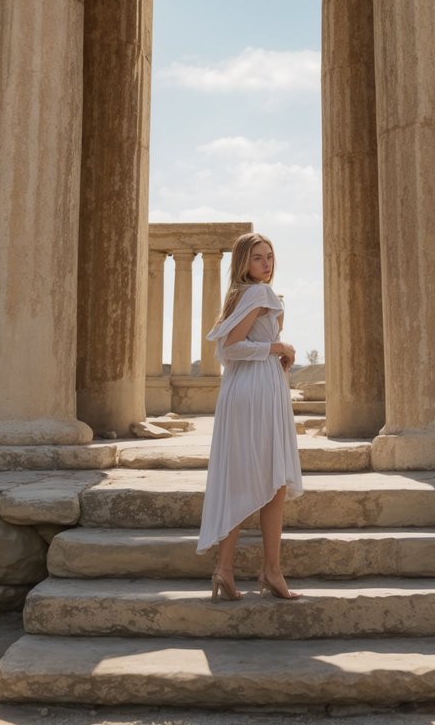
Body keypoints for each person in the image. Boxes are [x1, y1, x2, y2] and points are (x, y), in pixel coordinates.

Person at [196, 231, 304, 600]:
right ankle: (271, 571)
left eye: (270, 256)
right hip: (257, 391)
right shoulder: (259, 294)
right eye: (258, 257)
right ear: (243, 262)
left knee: (241, 480)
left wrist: (276, 353)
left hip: (243, 389)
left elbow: (229, 352)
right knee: (272, 484)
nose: (267, 263)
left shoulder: (236, 297)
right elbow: (232, 347)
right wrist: (279, 346)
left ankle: (224, 571)